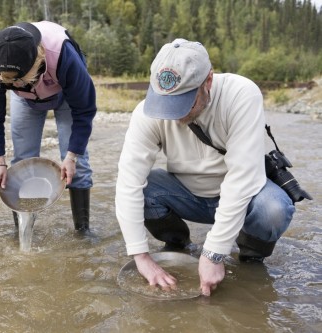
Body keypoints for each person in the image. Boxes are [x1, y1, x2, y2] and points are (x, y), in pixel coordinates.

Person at [115, 39, 295, 296]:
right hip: (186, 194)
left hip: (245, 196)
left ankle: (250, 261)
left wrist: (213, 254)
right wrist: (141, 256)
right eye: (166, 104)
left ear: (208, 81)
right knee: (144, 190)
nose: (174, 115)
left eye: (183, 103)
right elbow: (128, 183)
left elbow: (243, 178)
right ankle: (178, 244)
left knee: (274, 208)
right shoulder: (145, 112)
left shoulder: (242, 94)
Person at [0, 21, 97, 232]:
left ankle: (83, 232)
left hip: (66, 94)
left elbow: (85, 111)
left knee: (76, 167)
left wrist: (71, 156)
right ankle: (24, 234)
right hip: (26, 101)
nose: (15, 86)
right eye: (9, 84)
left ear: (38, 62)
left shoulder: (63, 54)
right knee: (22, 162)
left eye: (21, 82)